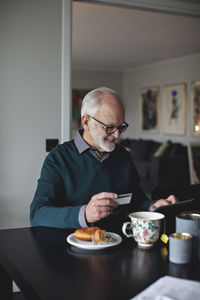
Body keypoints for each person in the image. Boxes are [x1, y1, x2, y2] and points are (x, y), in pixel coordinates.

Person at [30, 87, 177, 231]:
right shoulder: (58, 158)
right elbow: (37, 214)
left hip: (120, 243)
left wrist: (153, 206)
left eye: (121, 126)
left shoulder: (123, 155)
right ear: (86, 122)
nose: (118, 135)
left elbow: (136, 201)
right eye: (110, 127)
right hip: (71, 246)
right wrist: (85, 214)